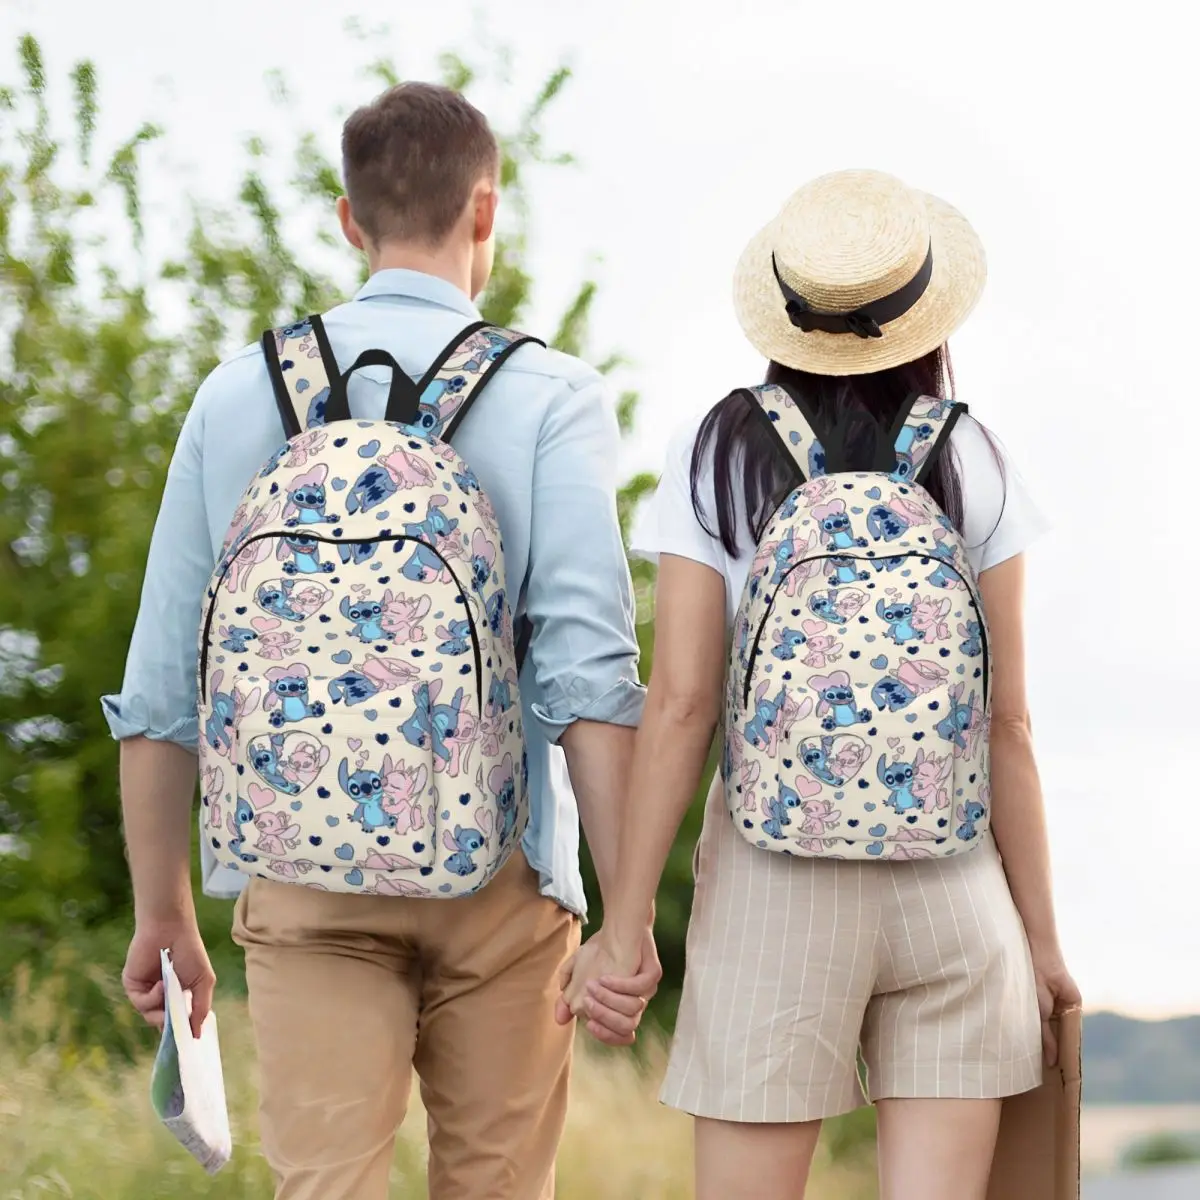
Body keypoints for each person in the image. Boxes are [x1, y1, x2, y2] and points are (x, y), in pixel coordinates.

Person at [105, 81, 660, 1200]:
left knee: (325, 1186)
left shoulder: (235, 394)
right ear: (486, 212)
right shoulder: (550, 395)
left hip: (301, 875)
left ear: (349, 219)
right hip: (502, 876)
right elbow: (588, 679)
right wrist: (627, 915)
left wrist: (163, 910)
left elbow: (165, 682)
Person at [561, 169, 1081, 1200]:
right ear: (924, 315)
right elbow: (1009, 723)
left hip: (773, 884)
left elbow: (681, 705)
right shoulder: (973, 455)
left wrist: (623, 927)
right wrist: (1043, 944)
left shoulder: (717, 450)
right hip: (955, 887)